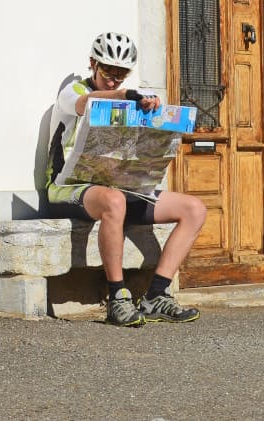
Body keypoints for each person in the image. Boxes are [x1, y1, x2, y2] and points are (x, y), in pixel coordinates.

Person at [46, 32, 207, 326]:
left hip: (120, 187)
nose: (114, 80)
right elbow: (81, 104)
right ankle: (117, 298)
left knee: (194, 209)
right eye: (108, 71)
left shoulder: (130, 95)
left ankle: (156, 295)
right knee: (114, 200)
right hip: (69, 188)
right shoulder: (71, 91)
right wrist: (120, 96)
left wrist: (155, 113)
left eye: (121, 75)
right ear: (93, 63)